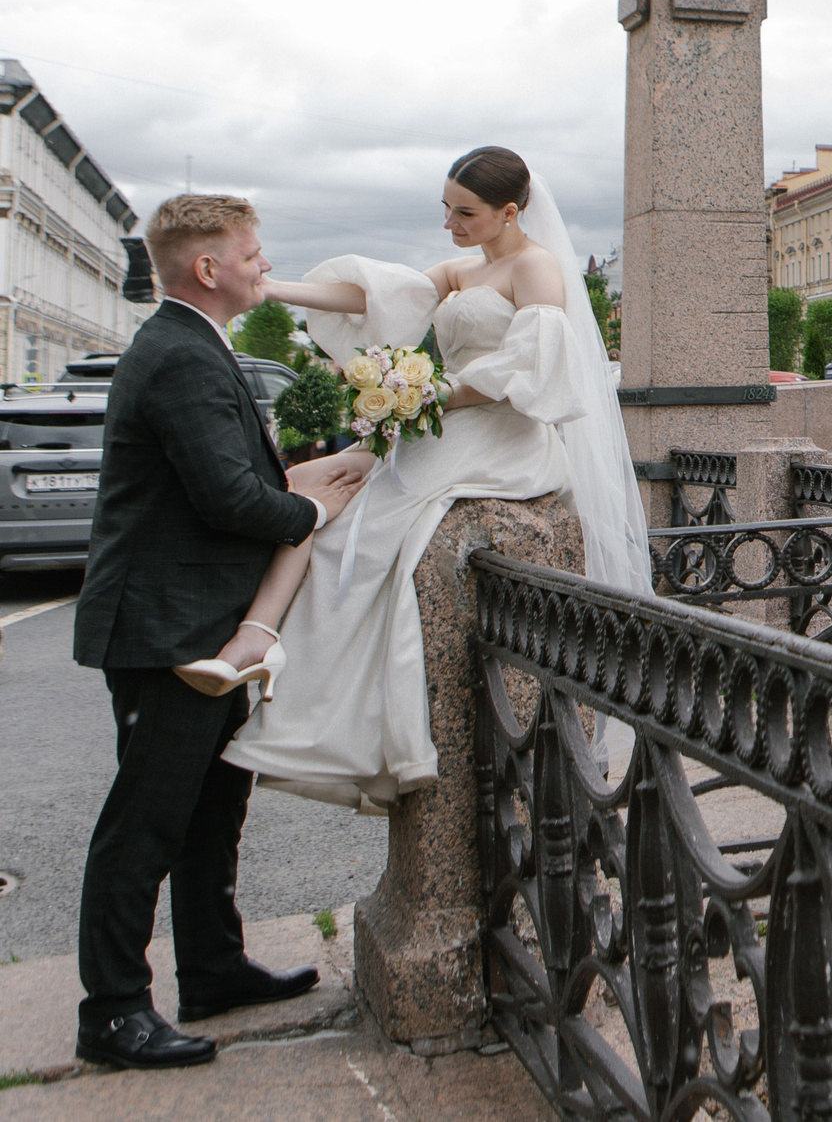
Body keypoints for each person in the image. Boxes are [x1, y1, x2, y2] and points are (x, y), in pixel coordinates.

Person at [210, 147, 653, 813]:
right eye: (445, 208)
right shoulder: (465, 266)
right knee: (322, 492)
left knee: (360, 533)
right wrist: (272, 289)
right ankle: (273, 656)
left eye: (465, 212)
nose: (450, 222)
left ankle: (326, 713)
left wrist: (424, 395)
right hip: (442, 426)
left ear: (511, 211)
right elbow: (374, 295)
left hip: (502, 443)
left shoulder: (535, 266)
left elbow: (530, 367)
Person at [71, 194, 374, 1071]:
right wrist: (315, 508)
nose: (263, 262)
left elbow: (238, 476)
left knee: (210, 809)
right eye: (251, 252)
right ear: (208, 268)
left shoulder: (190, 346)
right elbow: (233, 501)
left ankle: (211, 968)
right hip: (165, 630)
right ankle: (114, 1013)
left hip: (193, 623)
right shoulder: (179, 356)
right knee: (147, 822)